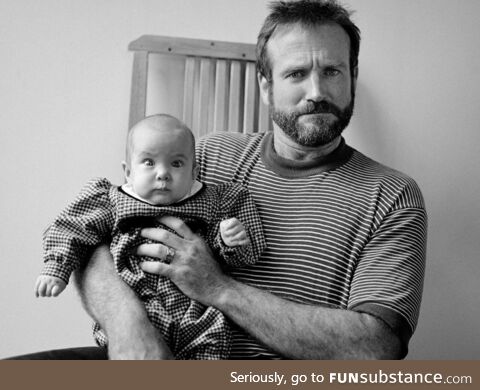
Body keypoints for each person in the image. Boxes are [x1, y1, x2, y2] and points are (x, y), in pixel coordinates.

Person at [9, 0, 427, 360]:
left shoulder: (391, 195)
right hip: (152, 352)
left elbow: (376, 348)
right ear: (266, 86)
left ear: (352, 77)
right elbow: (95, 231)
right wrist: (128, 327)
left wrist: (218, 288)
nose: (316, 91)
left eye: (332, 71)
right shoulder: (207, 156)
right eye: (296, 73)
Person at [33, 114, 265, 359]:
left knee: (212, 343)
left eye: (176, 164)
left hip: (197, 314)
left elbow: (237, 256)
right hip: (139, 309)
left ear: (194, 171)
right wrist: (56, 267)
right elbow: (74, 227)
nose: (163, 174)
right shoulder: (112, 201)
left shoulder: (212, 201)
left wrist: (229, 239)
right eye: (148, 162)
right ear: (128, 172)